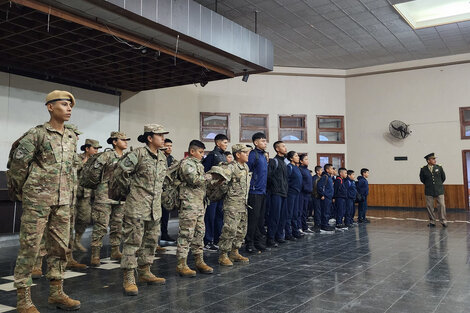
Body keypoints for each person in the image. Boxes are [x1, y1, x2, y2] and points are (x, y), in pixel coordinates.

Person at [9, 90, 81, 312]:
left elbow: (71, 169)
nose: (69, 108)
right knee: (30, 248)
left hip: (63, 200)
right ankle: (23, 299)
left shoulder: (71, 136)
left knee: (60, 248)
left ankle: (56, 293)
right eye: (63, 104)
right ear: (50, 107)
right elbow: (18, 166)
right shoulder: (36, 134)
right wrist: (25, 192)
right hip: (38, 201)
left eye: (70, 105)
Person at [114, 124, 168, 296]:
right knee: (132, 243)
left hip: (154, 208)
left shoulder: (162, 157)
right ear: (150, 138)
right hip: (137, 206)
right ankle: (129, 277)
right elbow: (119, 172)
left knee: (151, 241)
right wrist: (129, 191)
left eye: (163, 135)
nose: (163, 138)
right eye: (160, 135)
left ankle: (145, 271)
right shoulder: (138, 154)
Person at [176, 140, 217, 277]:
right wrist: (212, 176)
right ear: (192, 151)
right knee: (186, 234)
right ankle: (181, 264)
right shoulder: (186, 163)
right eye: (200, 152)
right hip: (189, 205)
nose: (202, 155)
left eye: (203, 152)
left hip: (199, 204)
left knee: (199, 233)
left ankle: (199, 261)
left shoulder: (198, 165)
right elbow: (194, 179)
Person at [89, 132, 130, 267]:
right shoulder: (106, 155)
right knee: (101, 224)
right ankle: (95, 254)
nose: (125, 142)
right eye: (122, 140)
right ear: (114, 141)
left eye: (126, 140)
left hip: (120, 194)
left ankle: (115, 250)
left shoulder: (127, 157)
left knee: (117, 224)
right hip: (104, 194)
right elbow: (94, 173)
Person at [218, 144, 251, 266]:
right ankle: (223, 255)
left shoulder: (245, 167)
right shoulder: (231, 167)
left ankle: (234, 251)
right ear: (238, 154)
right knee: (229, 230)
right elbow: (222, 184)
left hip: (243, 203)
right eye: (245, 153)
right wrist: (228, 195)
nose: (248, 155)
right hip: (232, 204)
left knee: (241, 230)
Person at [74, 139, 101, 253]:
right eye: (94, 148)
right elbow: (73, 169)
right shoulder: (77, 158)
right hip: (73, 194)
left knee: (85, 218)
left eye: (97, 149)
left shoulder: (96, 161)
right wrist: (83, 163)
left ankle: (76, 240)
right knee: (69, 219)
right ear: (87, 148)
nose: (96, 151)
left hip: (86, 194)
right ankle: (67, 243)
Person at [202, 134, 228, 251]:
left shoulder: (223, 156)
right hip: (212, 192)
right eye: (225, 142)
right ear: (218, 143)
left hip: (220, 191)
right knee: (210, 217)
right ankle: (208, 240)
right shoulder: (212, 155)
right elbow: (206, 171)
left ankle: (217, 239)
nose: (226, 145)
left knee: (219, 216)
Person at [245, 132, 268, 253]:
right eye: (263, 141)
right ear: (256, 143)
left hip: (262, 191)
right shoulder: (253, 155)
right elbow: (247, 171)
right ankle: (249, 244)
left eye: (265, 141)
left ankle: (258, 242)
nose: (265, 143)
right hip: (254, 192)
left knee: (260, 219)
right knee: (253, 219)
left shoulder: (263, 156)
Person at [266, 141, 288, 247]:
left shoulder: (284, 162)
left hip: (284, 193)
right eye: (283, 146)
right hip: (275, 193)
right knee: (274, 216)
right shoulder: (274, 161)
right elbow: (268, 176)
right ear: (277, 149)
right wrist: (274, 187)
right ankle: (270, 238)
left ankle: (279, 236)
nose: (285, 148)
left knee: (282, 216)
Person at [419, 154, 447, 227]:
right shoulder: (423, 169)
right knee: (429, 206)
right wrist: (429, 185)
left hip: (439, 189)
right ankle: (432, 221)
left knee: (441, 205)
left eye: (434, 159)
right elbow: (422, 179)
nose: (435, 160)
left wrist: (438, 185)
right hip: (429, 190)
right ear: (428, 161)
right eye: (433, 159)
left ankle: (443, 221)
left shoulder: (439, 167)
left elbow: (443, 178)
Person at [160, 138, 176, 243]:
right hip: (158, 189)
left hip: (167, 191)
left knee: (165, 214)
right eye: (167, 146)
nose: (169, 148)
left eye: (171, 146)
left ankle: (164, 234)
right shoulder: (159, 157)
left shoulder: (171, 158)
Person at [285, 151, 302, 240]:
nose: (298, 157)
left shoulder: (296, 167)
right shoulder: (289, 167)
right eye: (296, 156)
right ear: (291, 158)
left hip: (297, 193)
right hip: (291, 193)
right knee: (289, 214)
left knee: (295, 213)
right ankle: (288, 233)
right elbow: (286, 181)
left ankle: (295, 231)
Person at [298, 154, 314, 235]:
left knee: (305, 212)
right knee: (300, 211)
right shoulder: (300, 170)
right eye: (306, 159)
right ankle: (299, 227)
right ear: (301, 161)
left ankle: (305, 227)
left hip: (307, 193)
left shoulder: (307, 170)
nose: (308, 161)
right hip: (302, 193)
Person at [317, 163, 335, 232]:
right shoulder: (325, 176)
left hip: (329, 197)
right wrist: (322, 195)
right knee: (325, 212)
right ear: (327, 170)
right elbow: (319, 186)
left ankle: (326, 224)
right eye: (331, 168)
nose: (332, 170)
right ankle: (324, 225)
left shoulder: (329, 177)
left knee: (328, 211)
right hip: (326, 197)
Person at [311, 166, 323, 233]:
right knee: (317, 210)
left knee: (319, 210)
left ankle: (319, 222)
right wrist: (320, 195)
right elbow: (315, 188)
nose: (322, 171)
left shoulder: (320, 178)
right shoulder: (315, 178)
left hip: (319, 197)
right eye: (321, 170)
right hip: (316, 197)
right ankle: (317, 223)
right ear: (317, 171)